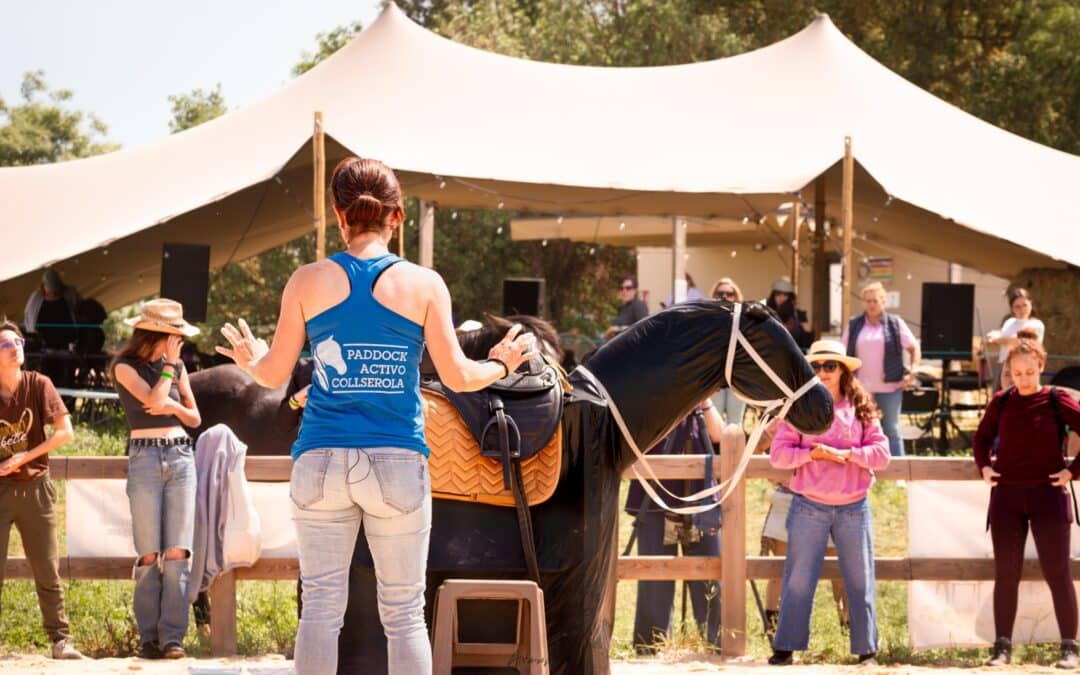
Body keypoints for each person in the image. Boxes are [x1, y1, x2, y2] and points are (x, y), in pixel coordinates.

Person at [216, 156, 536, 675]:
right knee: (405, 615)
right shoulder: (425, 284)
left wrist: (250, 357)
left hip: (319, 458)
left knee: (319, 611)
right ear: (397, 217)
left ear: (339, 216)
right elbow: (457, 377)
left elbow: (273, 375)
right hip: (395, 460)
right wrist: (498, 363)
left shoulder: (306, 281)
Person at [767, 339, 890, 666]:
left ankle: (867, 650)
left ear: (844, 370)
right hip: (809, 504)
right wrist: (812, 453)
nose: (822, 372)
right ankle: (785, 647)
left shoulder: (861, 407)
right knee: (798, 578)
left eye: (830, 365)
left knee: (860, 578)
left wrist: (849, 454)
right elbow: (778, 454)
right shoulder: (799, 408)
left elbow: (882, 454)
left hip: (854, 506)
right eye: (816, 366)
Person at [973, 328, 1080, 669]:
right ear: (1010, 372)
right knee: (1006, 573)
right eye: (1017, 373)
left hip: (1048, 496)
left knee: (1058, 573)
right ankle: (1002, 647)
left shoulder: (1055, 399)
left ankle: (1069, 647)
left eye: (1030, 372)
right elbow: (981, 439)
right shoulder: (1001, 401)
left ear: (1041, 366)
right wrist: (984, 468)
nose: (1023, 379)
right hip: (1006, 497)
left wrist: (1073, 471)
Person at [111, 299, 202, 660]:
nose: (179, 343)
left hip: (181, 455)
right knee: (148, 553)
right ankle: (149, 638)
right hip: (145, 457)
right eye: (174, 336)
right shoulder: (124, 367)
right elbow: (151, 400)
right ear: (159, 335)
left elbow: (193, 417)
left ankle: (172, 639)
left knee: (178, 551)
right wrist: (167, 371)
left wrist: (175, 407)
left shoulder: (177, 367)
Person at [0, 320, 84, 660]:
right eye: (6, 344)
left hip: (36, 486)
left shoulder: (39, 384)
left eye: (18, 341)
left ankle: (60, 641)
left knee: (47, 569)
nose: (16, 346)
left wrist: (25, 456)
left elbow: (66, 433)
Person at [625, 400, 724, 652]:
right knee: (654, 574)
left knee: (709, 571)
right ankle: (651, 645)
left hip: (699, 500)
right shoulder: (653, 397)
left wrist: (705, 403)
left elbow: (720, 436)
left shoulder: (701, 407)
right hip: (656, 499)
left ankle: (717, 641)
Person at [842, 282, 920, 457]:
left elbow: (914, 348)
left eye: (875, 301)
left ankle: (897, 476)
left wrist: (913, 371)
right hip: (860, 389)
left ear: (883, 302)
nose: (871, 304)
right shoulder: (854, 324)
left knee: (891, 429)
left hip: (890, 387)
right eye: (867, 300)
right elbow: (842, 351)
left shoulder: (895, 323)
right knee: (859, 429)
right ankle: (864, 470)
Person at [24, 268, 80, 392]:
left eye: (55, 292)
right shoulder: (36, 298)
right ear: (43, 288)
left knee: (66, 379)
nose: (53, 295)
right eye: (50, 292)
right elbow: (29, 318)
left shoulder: (70, 294)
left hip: (66, 348)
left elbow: (78, 313)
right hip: (45, 349)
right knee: (47, 378)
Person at [985, 288, 1045, 391]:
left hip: (1024, 370)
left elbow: (1017, 342)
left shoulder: (1036, 324)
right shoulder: (1009, 322)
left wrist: (998, 339)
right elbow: (1003, 337)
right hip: (1004, 366)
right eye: (1017, 306)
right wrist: (997, 336)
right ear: (1012, 308)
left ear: (1031, 304)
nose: (1021, 309)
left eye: (1024, 305)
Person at [708, 278, 747, 427]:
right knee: (714, 426)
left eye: (729, 293)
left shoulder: (743, 320)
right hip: (715, 380)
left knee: (735, 425)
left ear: (736, 296)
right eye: (720, 293)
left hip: (736, 380)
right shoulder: (709, 319)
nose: (725, 296)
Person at [765, 277, 813, 349]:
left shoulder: (799, 315)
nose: (781, 298)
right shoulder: (766, 313)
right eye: (778, 294)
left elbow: (807, 344)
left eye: (785, 295)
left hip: (793, 356)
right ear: (773, 296)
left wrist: (808, 332)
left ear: (790, 297)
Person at [604, 275, 649, 340]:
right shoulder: (622, 308)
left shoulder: (638, 305)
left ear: (635, 290)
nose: (624, 291)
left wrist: (616, 329)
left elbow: (644, 327)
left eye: (628, 288)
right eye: (621, 288)